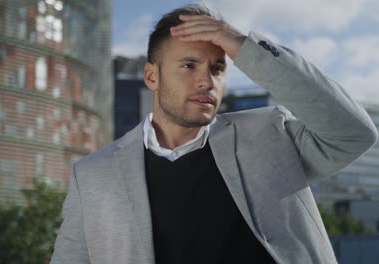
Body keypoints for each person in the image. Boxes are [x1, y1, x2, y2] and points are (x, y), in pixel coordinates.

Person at [50, 4, 377, 264]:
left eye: (217, 68)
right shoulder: (93, 174)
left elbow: (353, 133)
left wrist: (244, 47)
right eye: (188, 65)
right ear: (151, 76)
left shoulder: (269, 134)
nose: (206, 81)